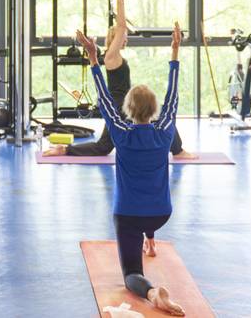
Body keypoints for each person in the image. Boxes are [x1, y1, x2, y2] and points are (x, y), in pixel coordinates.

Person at [76, 23, 185, 316]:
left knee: (131, 275)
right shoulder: (164, 131)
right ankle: (151, 238)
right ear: (155, 110)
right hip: (162, 213)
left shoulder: (121, 132)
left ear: (127, 108)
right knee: (150, 197)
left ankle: (152, 293)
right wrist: (175, 50)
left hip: (129, 216)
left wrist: (93, 58)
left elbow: (103, 97)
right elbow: (173, 95)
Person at [44, 0, 194, 159]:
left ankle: (178, 150)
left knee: (104, 147)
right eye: (124, 37)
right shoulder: (111, 56)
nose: (126, 39)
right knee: (160, 116)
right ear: (115, 38)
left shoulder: (114, 57)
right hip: (119, 106)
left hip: (121, 104)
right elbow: (122, 26)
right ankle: (178, 151)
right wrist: (120, 1)